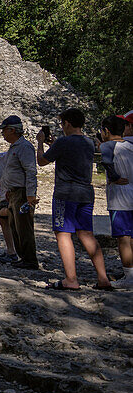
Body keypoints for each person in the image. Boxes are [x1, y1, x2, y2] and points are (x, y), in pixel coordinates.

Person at [36, 108, 111, 290]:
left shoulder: (63, 142)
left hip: (65, 192)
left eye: (62, 123)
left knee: (63, 233)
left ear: (67, 123)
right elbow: (71, 152)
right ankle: (103, 278)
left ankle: (71, 279)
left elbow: (42, 161)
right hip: (86, 193)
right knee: (86, 233)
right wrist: (55, 144)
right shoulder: (88, 142)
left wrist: (40, 143)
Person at [0, 115, 39, 269]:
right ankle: (23, 257)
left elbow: (30, 171)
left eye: (4, 130)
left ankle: (30, 259)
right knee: (15, 226)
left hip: (22, 192)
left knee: (24, 227)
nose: (2, 134)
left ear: (12, 130)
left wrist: (30, 194)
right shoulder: (15, 147)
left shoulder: (24, 147)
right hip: (14, 192)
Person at [101, 115, 133, 287]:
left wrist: (114, 177)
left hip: (119, 198)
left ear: (106, 131)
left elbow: (106, 161)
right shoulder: (130, 145)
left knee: (123, 238)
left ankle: (129, 276)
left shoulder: (108, 145)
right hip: (132, 191)